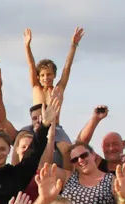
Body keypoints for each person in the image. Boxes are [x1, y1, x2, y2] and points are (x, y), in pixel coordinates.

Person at [23, 27, 84, 165]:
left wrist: (73, 45)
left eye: (49, 74)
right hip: (36, 127)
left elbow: (67, 67)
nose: (46, 78)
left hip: (55, 128)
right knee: (20, 142)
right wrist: (27, 46)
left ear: (54, 75)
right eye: (43, 75)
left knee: (68, 151)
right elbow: (31, 65)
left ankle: (69, 181)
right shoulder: (36, 88)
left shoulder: (58, 89)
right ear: (38, 76)